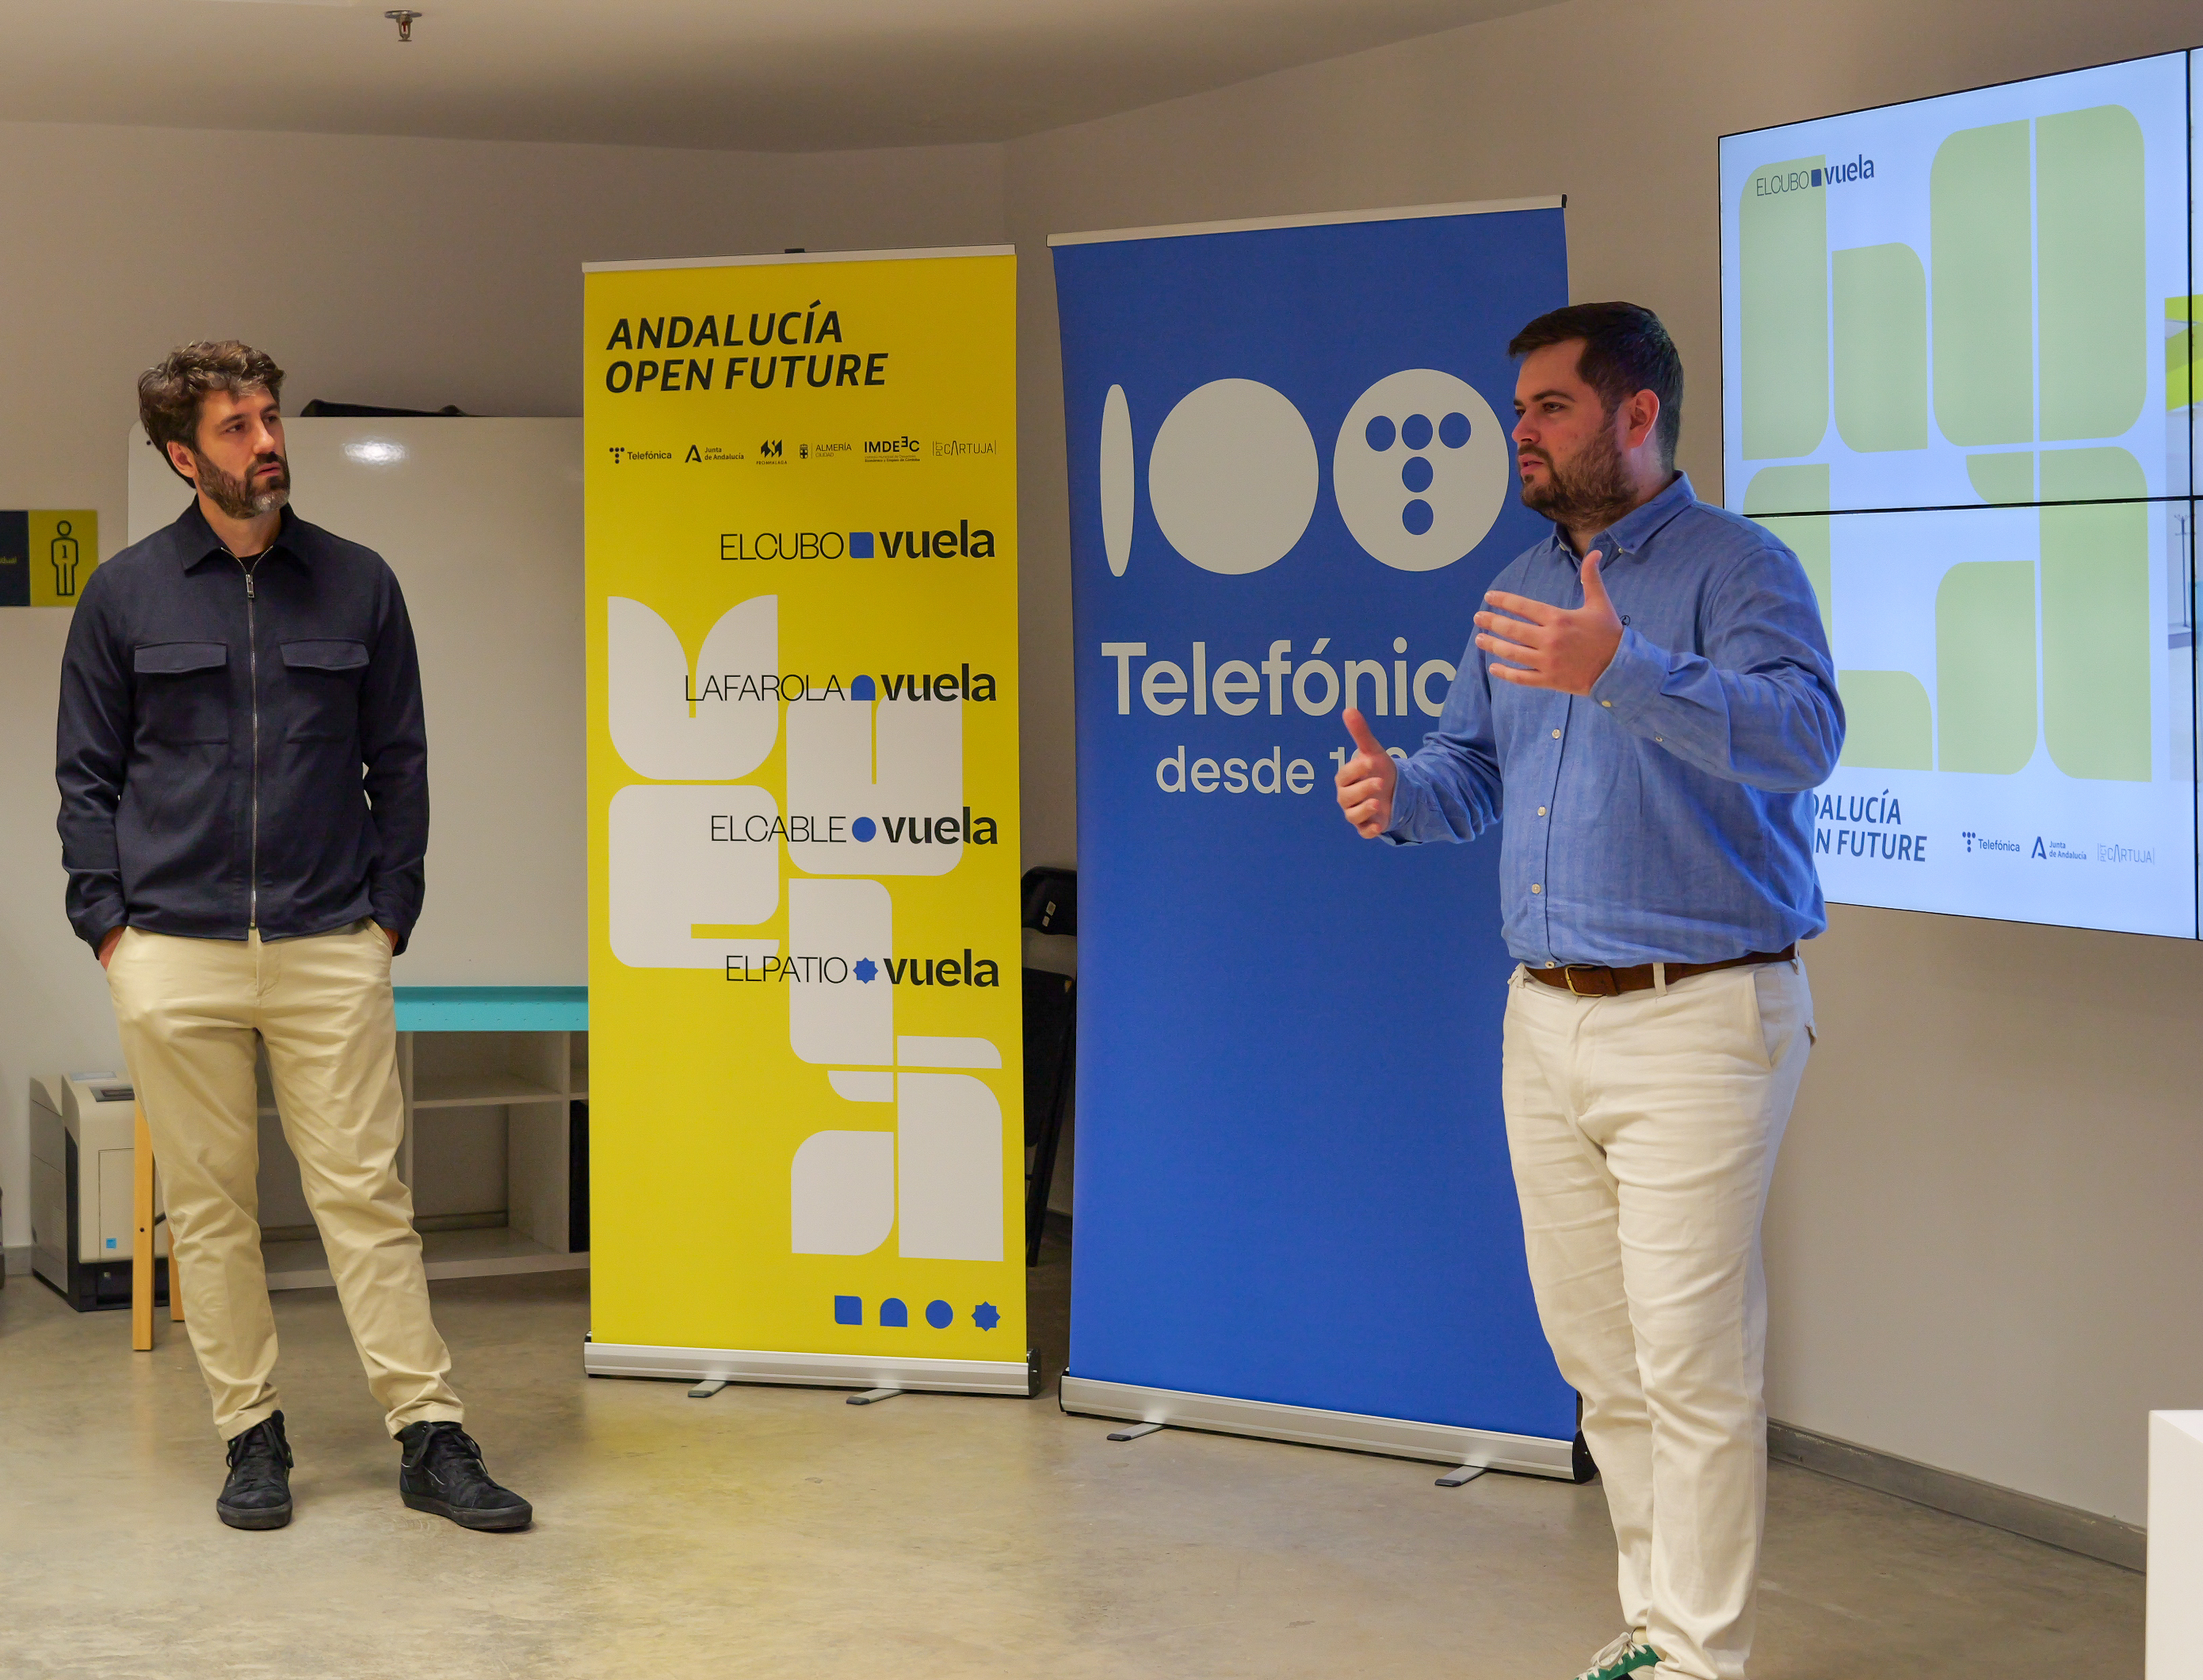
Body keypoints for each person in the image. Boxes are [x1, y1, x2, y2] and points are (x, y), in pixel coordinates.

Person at [1334, 303, 1842, 1680]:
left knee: (1690, 1357)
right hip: (1545, 1014)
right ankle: (1653, 1628)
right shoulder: (1518, 582)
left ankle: (1701, 1659)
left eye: (1549, 407)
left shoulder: (1739, 567)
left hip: (1699, 1011)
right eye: (1519, 411)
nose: (1522, 433)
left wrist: (1622, 668)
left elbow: (1803, 735)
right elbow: (1471, 767)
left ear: (1636, 415)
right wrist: (1399, 796)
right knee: (1602, 1360)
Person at [56, 340, 531, 1534]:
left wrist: (389, 912)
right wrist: (109, 927)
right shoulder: (124, 594)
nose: (268, 442)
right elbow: (86, 777)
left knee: (366, 1195)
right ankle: (249, 1435)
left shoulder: (360, 582)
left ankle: (429, 1433)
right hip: (172, 947)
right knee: (210, 1206)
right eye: (237, 427)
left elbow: (401, 760)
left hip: (330, 940)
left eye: (270, 418)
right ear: (183, 456)